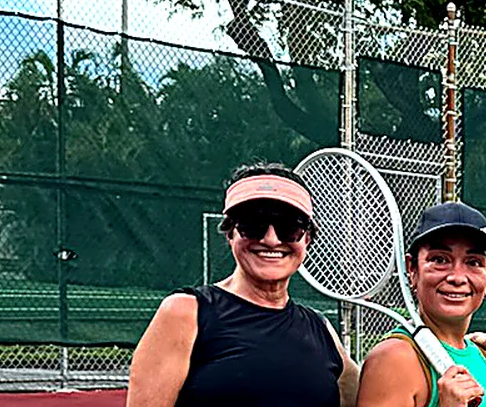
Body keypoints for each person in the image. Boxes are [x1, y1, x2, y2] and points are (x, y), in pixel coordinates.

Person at [128, 163, 359, 407]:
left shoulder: (320, 329)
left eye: (289, 227)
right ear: (230, 234)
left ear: (307, 239)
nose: (271, 239)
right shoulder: (186, 313)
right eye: (253, 224)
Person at [356, 201, 486, 407]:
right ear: (412, 269)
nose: (457, 277)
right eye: (440, 260)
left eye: (473, 262)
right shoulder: (394, 360)